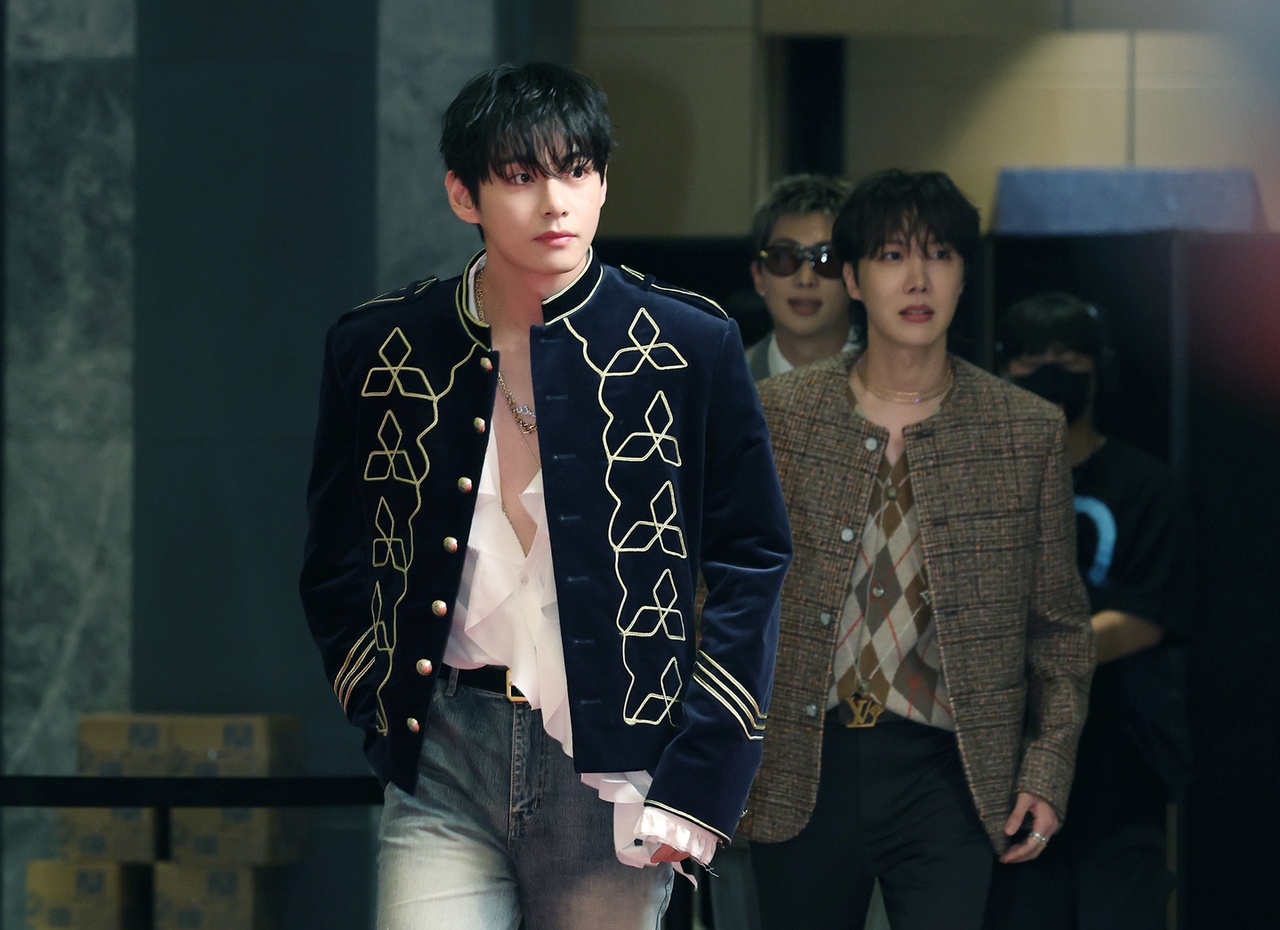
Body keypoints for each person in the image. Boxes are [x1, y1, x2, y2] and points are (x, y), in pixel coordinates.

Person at [298, 62, 792, 930]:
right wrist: (377, 697)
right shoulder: (380, 348)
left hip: (614, 767)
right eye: (522, 176)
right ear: (464, 193)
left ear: (602, 183)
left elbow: (751, 560)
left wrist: (704, 769)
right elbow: (337, 556)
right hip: (446, 753)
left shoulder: (687, 345)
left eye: (577, 170)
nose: (556, 202)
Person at [740, 169, 1094, 930]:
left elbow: (1060, 631)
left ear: (965, 274)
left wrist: (1046, 768)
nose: (918, 278)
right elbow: (721, 593)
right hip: (801, 759)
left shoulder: (1024, 430)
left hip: (951, 771)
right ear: (854, 278)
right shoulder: (778, 415)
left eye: (939, 254)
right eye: (892, 255)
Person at [985, 292, 1191, 930]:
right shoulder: (983, 485)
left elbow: (1146, 616)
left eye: (1069, 357)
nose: (1051, 372)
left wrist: (1035, 653)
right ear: (1003, 368)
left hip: (1119, 764)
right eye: (1033, 358)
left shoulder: (1145, 485)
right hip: (1003, 767)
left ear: (1100, 368)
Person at [745, 174, 859, 380]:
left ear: (854, 277)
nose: (806, 279)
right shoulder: (718, 387)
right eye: (783, 258)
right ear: (758, 276)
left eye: (827, 259)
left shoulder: (904, 379)